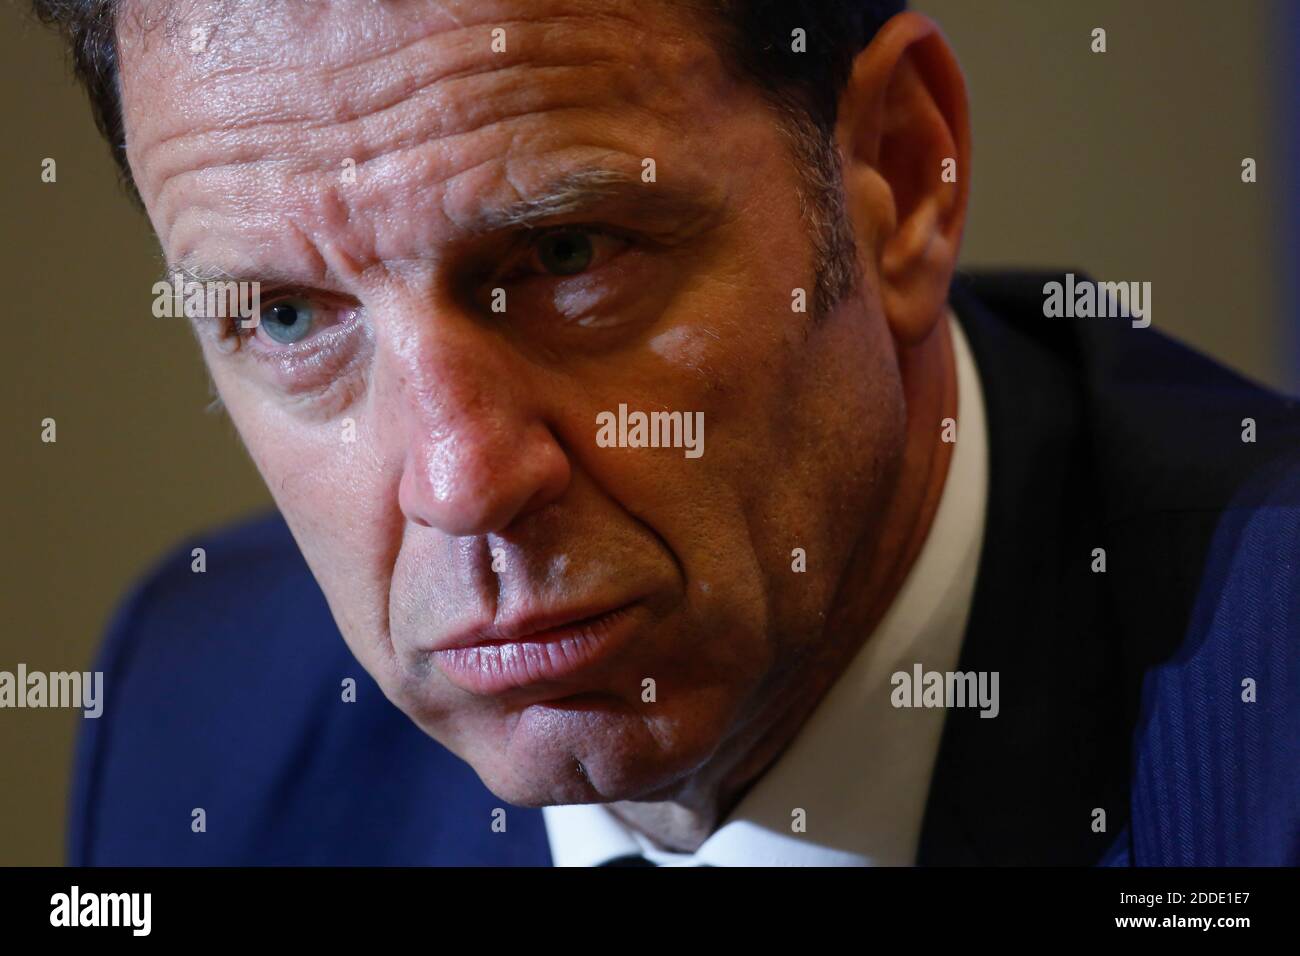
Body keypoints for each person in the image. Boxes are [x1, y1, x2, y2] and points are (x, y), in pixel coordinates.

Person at [39, 0, 1299, 866]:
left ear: (898, 180)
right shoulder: (195, 723)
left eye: (564, 253)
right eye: (285, 314)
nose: (460, 481)